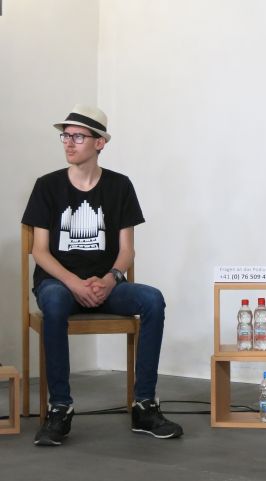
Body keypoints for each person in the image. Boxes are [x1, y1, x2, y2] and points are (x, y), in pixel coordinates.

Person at [22, 105, 183, 446]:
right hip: (61, 285)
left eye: (78, 136)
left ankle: (144, 404)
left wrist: (110, 278)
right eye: (65, 135)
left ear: (100, 143)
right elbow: (39, 251)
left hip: (106, 285)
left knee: (152, 299)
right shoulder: (47, 186)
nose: (69, 143)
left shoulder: (120, 186)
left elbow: (127, 250)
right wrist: (74, 283)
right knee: (52, 299)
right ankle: (60, 408)